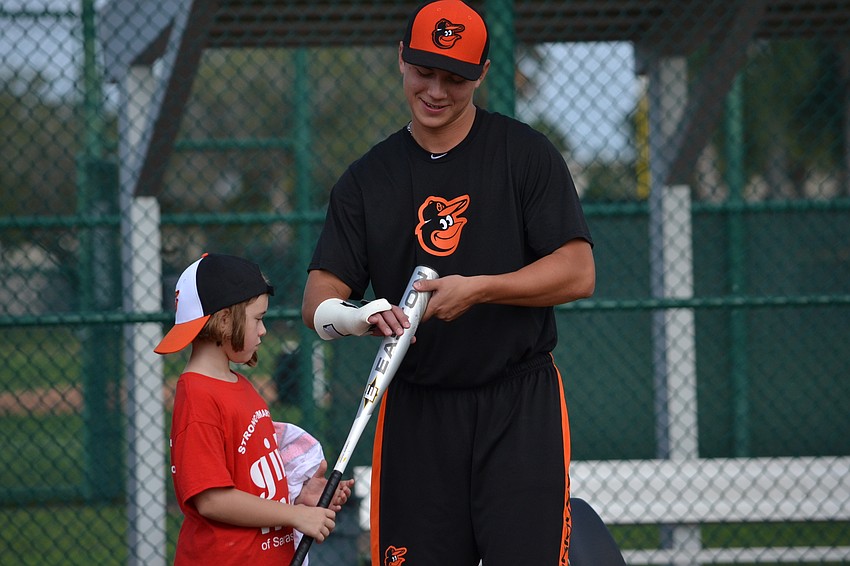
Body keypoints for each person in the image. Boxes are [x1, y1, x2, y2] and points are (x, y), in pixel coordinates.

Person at [301, 0, 595, 563]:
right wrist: (361, 316)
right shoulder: (368, 179)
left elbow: (578, 270)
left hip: (518, 404)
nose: (436, 90)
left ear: (483, 73)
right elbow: (319, 297)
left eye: (455, 77)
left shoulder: (524, 154)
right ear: (401, 61)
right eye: (423, 72)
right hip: (415, 406)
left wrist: (479, 288)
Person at [155, 252, 354, 565]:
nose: (263, 331)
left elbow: (249, 482)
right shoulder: (198, 396)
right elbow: (211, 499)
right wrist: (295, 515)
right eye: (258, 319)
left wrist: (298, 495)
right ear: (223, 320)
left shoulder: (241, 387)